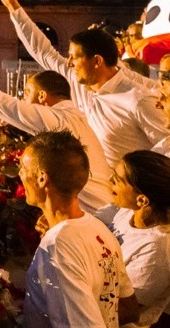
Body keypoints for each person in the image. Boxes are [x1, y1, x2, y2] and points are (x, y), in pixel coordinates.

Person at [0, 0, 166, 166]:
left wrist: (136, 179)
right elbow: (42, 51)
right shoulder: (77, 79)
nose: (69, 62)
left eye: (75, 57)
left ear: (97, 61)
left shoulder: (138, 99)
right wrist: (13, 6)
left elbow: (165, 146)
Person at [0, 37, 112, 213]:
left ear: (42, 96)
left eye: (27, 93)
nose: (23, 99)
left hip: (96, 213)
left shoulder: (55, 119)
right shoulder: (81, 116)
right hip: (105, 207)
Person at [20, 130, 137, 327]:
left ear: (42, 178)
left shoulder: (58, 247)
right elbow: (128, 306)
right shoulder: (98, 229)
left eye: (23, 167)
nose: (20, 174)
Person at [108, 151, 170, 328]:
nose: (109, 180)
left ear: (142, 200)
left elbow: (122, 312)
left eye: (117, 180)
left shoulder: (156, 251)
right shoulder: (129, 211)